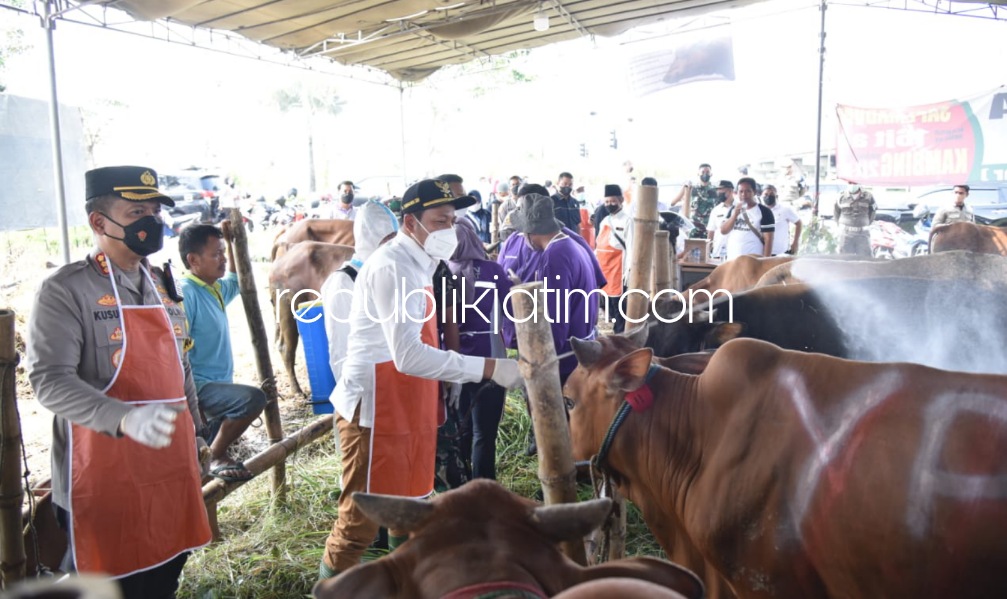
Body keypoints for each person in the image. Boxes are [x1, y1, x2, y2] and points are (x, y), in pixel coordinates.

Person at [320, 179, 523, 580]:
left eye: (452, 220)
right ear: (410, 222)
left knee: (410, 511)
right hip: (374, 410)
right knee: (360, 523)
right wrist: (489, 367)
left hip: (408, 403)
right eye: (439, 220)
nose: (449, 229)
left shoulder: (420, 263)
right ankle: (327, 589)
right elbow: (408, 354)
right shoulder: (393, 265)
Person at [26, 165, 211, 597]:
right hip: (103, 479)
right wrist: (124, 419)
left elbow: (179, 365)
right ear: (99, 222)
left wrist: (196, 432)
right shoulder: (66, 290)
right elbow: (49, 380)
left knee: (165, 573)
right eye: (135, 212)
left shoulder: (163, 285)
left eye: (153, 210)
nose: (151, 221)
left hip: (168, 470)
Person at [178, 224, 267, 482]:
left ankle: (211, 457)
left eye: (223, 252)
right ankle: (216, 454)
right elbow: (176, 353)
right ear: (193, 260)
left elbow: (236, 281)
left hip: (217, 386)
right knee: (252, 399)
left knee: (203, 480)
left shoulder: (213, 288)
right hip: (200, 388)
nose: (224, 259)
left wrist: (231, 242)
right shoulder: (187, 294)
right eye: (216, 254)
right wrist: (190, 402)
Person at [447, 223, 512, 479]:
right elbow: (511, 309)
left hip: (453, 360)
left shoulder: (441, 273)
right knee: (484, 433)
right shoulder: (493, 270)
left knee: (461, 427)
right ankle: (485, 487)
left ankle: (461, 486)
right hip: (490, 358)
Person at [320, 201, 399, 409]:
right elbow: (340, 348)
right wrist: (356, 402)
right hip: (361, 398)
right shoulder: (345, 281)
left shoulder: (385, 274)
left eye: (396, 238)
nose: (393, 246)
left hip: (390, 389)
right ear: (370, 239)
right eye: (388, 240)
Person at [595, 184, 630, 333]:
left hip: (619, 271)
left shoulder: (628, 221)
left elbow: (632, 248)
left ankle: (620, 336)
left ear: (621, 200)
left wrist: (628, 273)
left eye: (613, 201)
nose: (609, 204)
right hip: (605, 271)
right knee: (607, 307)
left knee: (619, 307)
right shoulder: (604, 221)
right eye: (607, 202)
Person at [719, 177, 775, 261]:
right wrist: (734, 215)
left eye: (748, 191)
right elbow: (723, 231)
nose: (744, 194)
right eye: (741, 191)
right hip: (732, 260)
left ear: (754, 192)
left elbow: (768, 240)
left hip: (753, 262)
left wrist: (765, 262)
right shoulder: (733, 209)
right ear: (737, 193)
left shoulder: (764, 211)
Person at [670, 163, 718, 239]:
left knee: (708, 249)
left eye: (707, 172)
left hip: (710, 229)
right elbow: (673, 202)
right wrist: (684, 188)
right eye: (703, 172)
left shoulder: (715, 190)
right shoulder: (691, 188)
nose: (705, 174)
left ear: (711, 174)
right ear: (698, 173)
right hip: (694, 228)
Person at [834, 183, 877, 257]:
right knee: (844, 260)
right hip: (846, 234)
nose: (852, 185)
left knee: (865, 260)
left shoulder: (869, 196)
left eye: (854, 183)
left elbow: (873, 211)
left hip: (863, 234)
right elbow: (836, 212)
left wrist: (865, 222)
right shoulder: (841, 196)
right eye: (850, 183)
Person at [762, 184, 801, 256]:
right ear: (762, 196)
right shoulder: (760, 211)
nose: (768, 196)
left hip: (781, 253)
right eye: (766, 194)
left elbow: (798, 223)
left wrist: (795, 242)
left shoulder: (785, 209)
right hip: (764, 253)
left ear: (776, 195)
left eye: (771, 194)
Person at [706, 180, 737, 261]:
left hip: (735, 252)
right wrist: (708, 251)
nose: (718, 192)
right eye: (717, 190)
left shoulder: (740, 207)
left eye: (721, 189)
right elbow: (711, 232)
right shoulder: (716, 210)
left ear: (730, 190)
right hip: (718, 252)